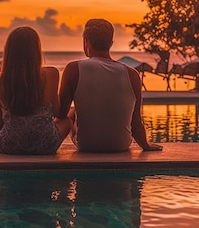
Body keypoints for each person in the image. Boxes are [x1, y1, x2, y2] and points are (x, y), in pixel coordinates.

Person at [57, 18, 163, 153]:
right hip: (121, 145)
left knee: (71, 112)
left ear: (86, 42)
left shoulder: (73, 69)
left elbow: (60, 113)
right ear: (111, 43)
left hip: (87, 145)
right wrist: (146, 146)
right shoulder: (132, 74)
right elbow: (135, 123)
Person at [0, 26, 72, 154]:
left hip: (10, 144)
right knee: (68, 120)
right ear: (37, 50)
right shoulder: (51, 74)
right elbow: (57, 112)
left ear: (8, 51)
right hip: (46, 143)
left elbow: (0, 126)